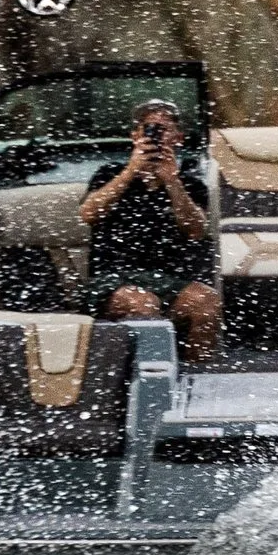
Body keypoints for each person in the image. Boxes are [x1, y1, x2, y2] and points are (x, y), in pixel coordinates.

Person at [77, 99, 220, 361]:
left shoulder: (191, 184)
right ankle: (149, 376)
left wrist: (172, 181)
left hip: (168, 278)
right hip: (112, 280)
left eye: (163, 130)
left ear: (178, 138)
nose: (156, 136)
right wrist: (131, 171)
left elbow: (195, 231)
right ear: (135, 136)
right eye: (149, 129)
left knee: (207, 302)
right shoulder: (108, 174)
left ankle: (196, 378)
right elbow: (89, 214)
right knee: (143, 303)